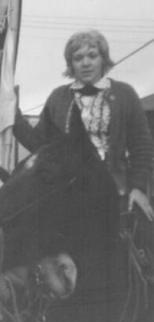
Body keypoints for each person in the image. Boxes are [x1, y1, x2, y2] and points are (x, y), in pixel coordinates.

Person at [13, 29, 154, 222]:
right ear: (71, 64)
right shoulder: (58, 98)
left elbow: (142, 147)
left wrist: (138, 188)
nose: (85, 63)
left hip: (116, 196)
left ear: (103, 59)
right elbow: (42, 146)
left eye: (92, 56)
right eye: (78, 58)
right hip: (66, 198)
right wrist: (13, 118)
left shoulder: (125, 94)